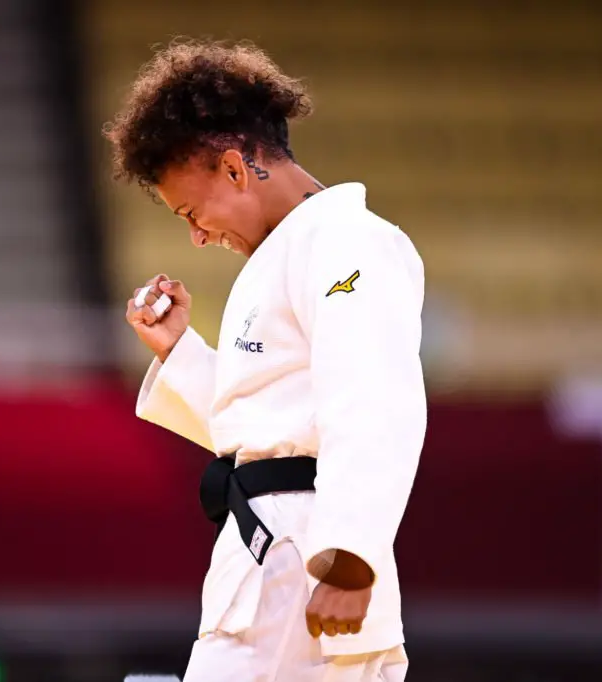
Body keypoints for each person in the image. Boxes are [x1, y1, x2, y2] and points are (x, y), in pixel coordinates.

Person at [106, 39, 426, 682]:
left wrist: (351, 555)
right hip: (278, 549)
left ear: (234, 168)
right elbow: (267, 429)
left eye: (192, 212)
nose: (198, 236)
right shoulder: (287, 254)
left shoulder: (346, 240)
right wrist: (179, 351)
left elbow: (372, 402)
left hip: (301, 556)